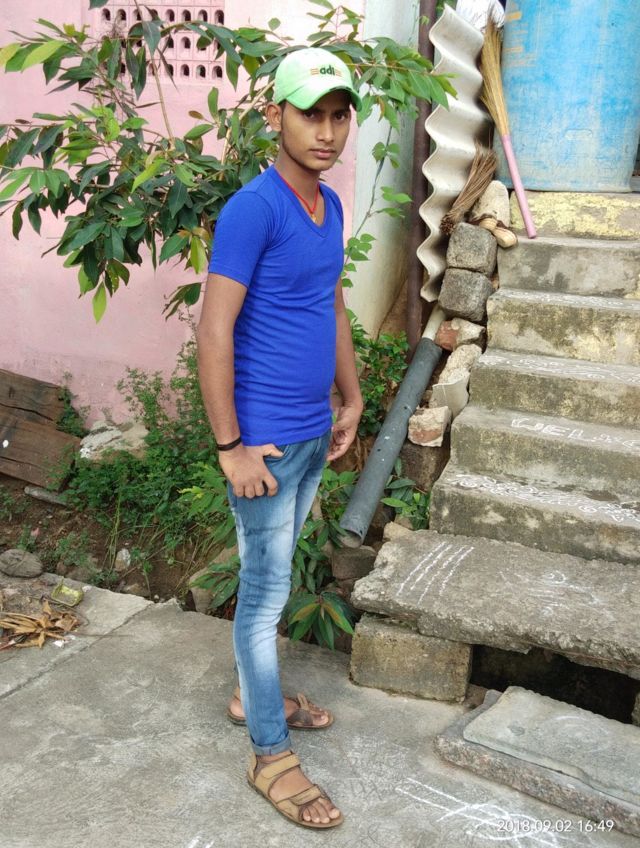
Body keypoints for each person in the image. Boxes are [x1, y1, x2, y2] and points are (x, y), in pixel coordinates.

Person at [196, 47, 364, 829]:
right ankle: (269, 753)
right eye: (310, 114)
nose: (326, 132)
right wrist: (229, 446)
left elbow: (330, 306)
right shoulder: (253, 209)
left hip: (309, 435)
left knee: (275, 577)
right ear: (275, 117)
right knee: (263, 596)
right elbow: (214, 330)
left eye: (338, 116)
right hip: (260, 445)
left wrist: (351, 397)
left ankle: (249, 694)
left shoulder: (327, 207)